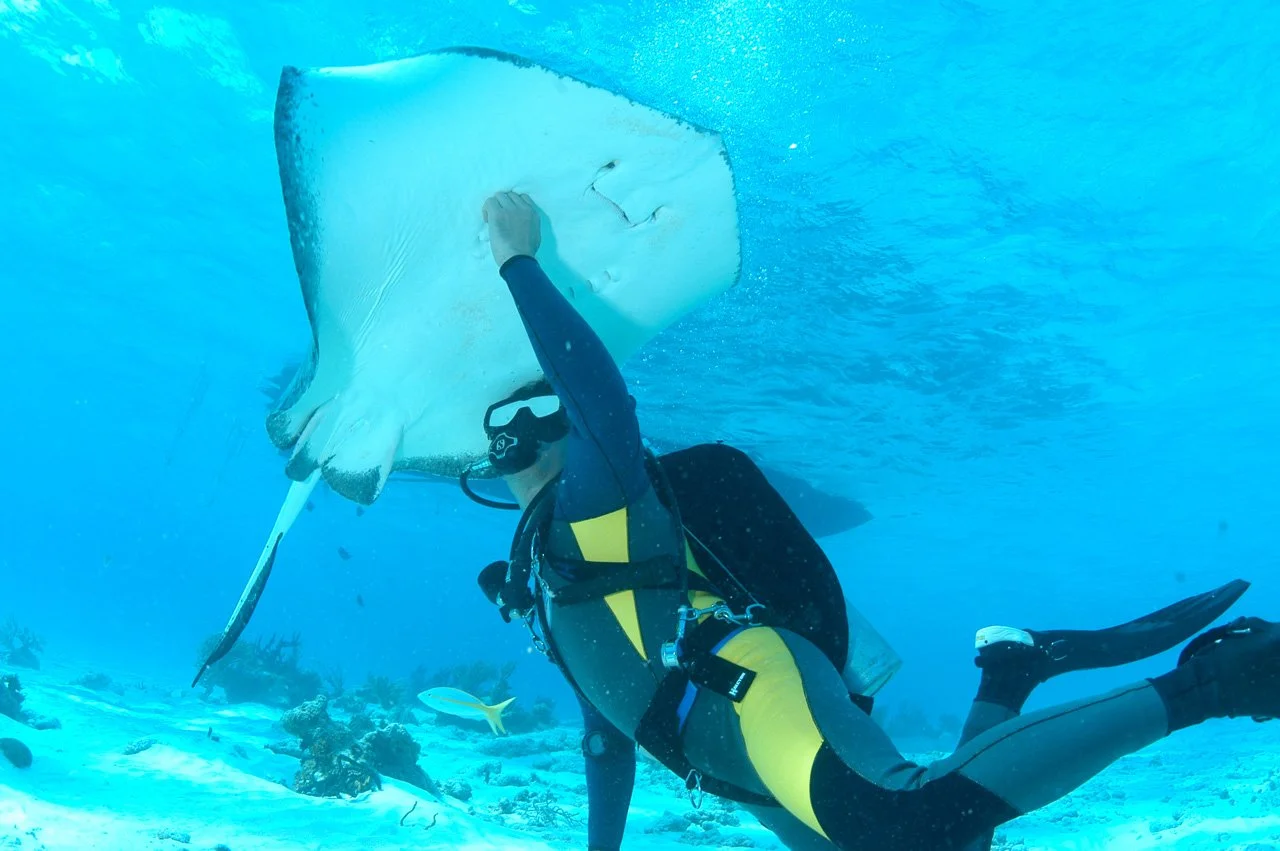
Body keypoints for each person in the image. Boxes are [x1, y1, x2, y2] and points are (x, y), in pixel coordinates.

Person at [469, 190, 1280, 851]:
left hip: (754, 693)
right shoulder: (541, 575)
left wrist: (519, 261)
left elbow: (605, 406)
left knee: (910, 827)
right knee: (947, 847)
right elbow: (610, 732)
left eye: (528, 415)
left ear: (554, 424)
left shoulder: (592, 508)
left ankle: (1212, 682)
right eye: (497, 435)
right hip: (725, 758)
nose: (512, 441)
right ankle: (1010, 670)